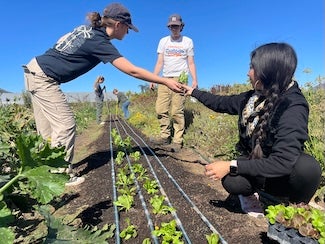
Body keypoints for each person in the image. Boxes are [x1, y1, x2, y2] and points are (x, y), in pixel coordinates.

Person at [22, 3, 183, 187]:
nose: (128, 33)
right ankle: (60, 176)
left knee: (48, 130)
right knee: (65, 126)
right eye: (128, 28)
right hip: (44, 77)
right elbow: (132, 71)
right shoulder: (100, 42)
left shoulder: (88, 30)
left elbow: (62, 40)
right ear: (118, 24)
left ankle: (41, 173)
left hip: (34, 69)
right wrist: (166, 81)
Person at [181, 42, 321, 216]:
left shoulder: (292, 105)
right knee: (233, 182)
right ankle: (251, 195)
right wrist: (193, 92)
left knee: (307, 168)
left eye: (252, 68)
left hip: (282, 174)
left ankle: (297, 209)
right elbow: (220, 103)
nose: (248, 73)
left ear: (266, 72)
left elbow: (283, 162)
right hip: (258, 168)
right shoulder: (252, 98)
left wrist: (231, 165)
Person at [149, 14, 198, 152]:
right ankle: (164, 136)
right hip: (164, 79)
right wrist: (153, 78)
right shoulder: (163, 41)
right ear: (169, 27)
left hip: (180, 79)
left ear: (181, 26)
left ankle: (177, 141)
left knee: (177, 110)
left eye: (176, 26)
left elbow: (191, 62)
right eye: (171, 26)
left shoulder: (187, 41)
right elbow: (160, 62)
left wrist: (194, 79)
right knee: (160, 109)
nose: (174, 28)